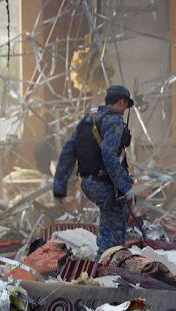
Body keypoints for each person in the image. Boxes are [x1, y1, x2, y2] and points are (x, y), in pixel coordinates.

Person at [53, 85, 135, 260]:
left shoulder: (87, 120)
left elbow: (68, 151)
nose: (125, 111)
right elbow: (109, 154)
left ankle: (102, 265)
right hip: (104, 184)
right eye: (126, 106)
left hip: (88, 183)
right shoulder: (114, 121)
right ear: (122, 102)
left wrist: (59, 186)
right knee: (114, 234)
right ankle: (107, 273)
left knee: (108, 225)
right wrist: (126, 187)